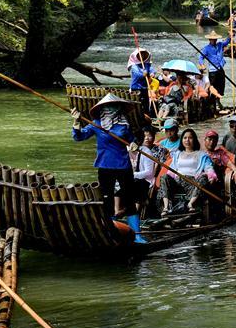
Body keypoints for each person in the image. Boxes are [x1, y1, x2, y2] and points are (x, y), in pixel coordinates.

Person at [70, 94, 146, 243]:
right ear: (102, 109)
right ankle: (111, 232)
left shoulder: (124, 125)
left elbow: (132, 140)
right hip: (105, 165)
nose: (112, 110)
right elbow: (79, 137)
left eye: (114, 107)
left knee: (129, 198)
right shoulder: (96, 124)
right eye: (108, 107)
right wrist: (76, 121)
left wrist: (134, 144)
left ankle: (136, 234)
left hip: (123, 165)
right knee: (107, 198)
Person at [157, 129, 217, 215]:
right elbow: (171, 170)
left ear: (194, 140)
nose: (187, 140)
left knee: (204, 177)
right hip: (177, 182)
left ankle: (190, 204)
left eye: (190, 138)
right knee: (164, 177)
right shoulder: (177, 154)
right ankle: (166, 207)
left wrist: (212, 176)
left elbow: (209, 168)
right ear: (182, 140)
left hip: (192, 183)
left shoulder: (201, 155)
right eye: (185, 138)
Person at [129, 126, 168, 215]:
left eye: (149, 136)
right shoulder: (136, 149)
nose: (147, 138)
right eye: (144, 136)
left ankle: (136, 212)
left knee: (140, 184)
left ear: (154, 137)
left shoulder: (160, 150)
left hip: (152, 176)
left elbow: (159, 166)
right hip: (138, 174)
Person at [198, 30, 230, 98]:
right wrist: (202, 65)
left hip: (220, 68)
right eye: (212, 39)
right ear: (210, 39)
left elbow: (227, 42)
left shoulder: (220, 44)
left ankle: (218, 99)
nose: (214, 41)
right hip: (212, 70)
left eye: (215, 39)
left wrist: (230, 35)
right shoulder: (207, 48)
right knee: (212, 86)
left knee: (221, 85)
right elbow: (200, 57)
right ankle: (213, 101)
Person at [127, 48, 154, 116]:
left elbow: (151, 69)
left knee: (146, 103)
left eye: (143, 55)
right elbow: (138, 75)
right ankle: (138, 117)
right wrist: (143, 74)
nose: (142, 56)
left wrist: (152, 73)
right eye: (140, 55)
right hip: (136, 87)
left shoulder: (146, 64)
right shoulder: (134, 66)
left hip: (144, 87)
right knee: (137, 103)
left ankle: (147, 117)